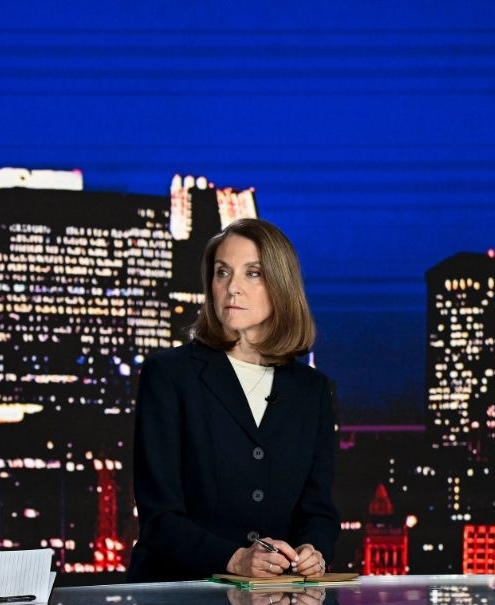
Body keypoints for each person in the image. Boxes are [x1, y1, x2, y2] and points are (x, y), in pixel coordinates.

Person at [129, 218, 339, 582]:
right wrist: (235, 559)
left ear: (282, 286)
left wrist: (312, 553)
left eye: (252, 273)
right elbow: (159, 519)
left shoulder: (313, 391)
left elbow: (318, 511)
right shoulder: (169, 374)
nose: (232, 288)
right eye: (222, 272)